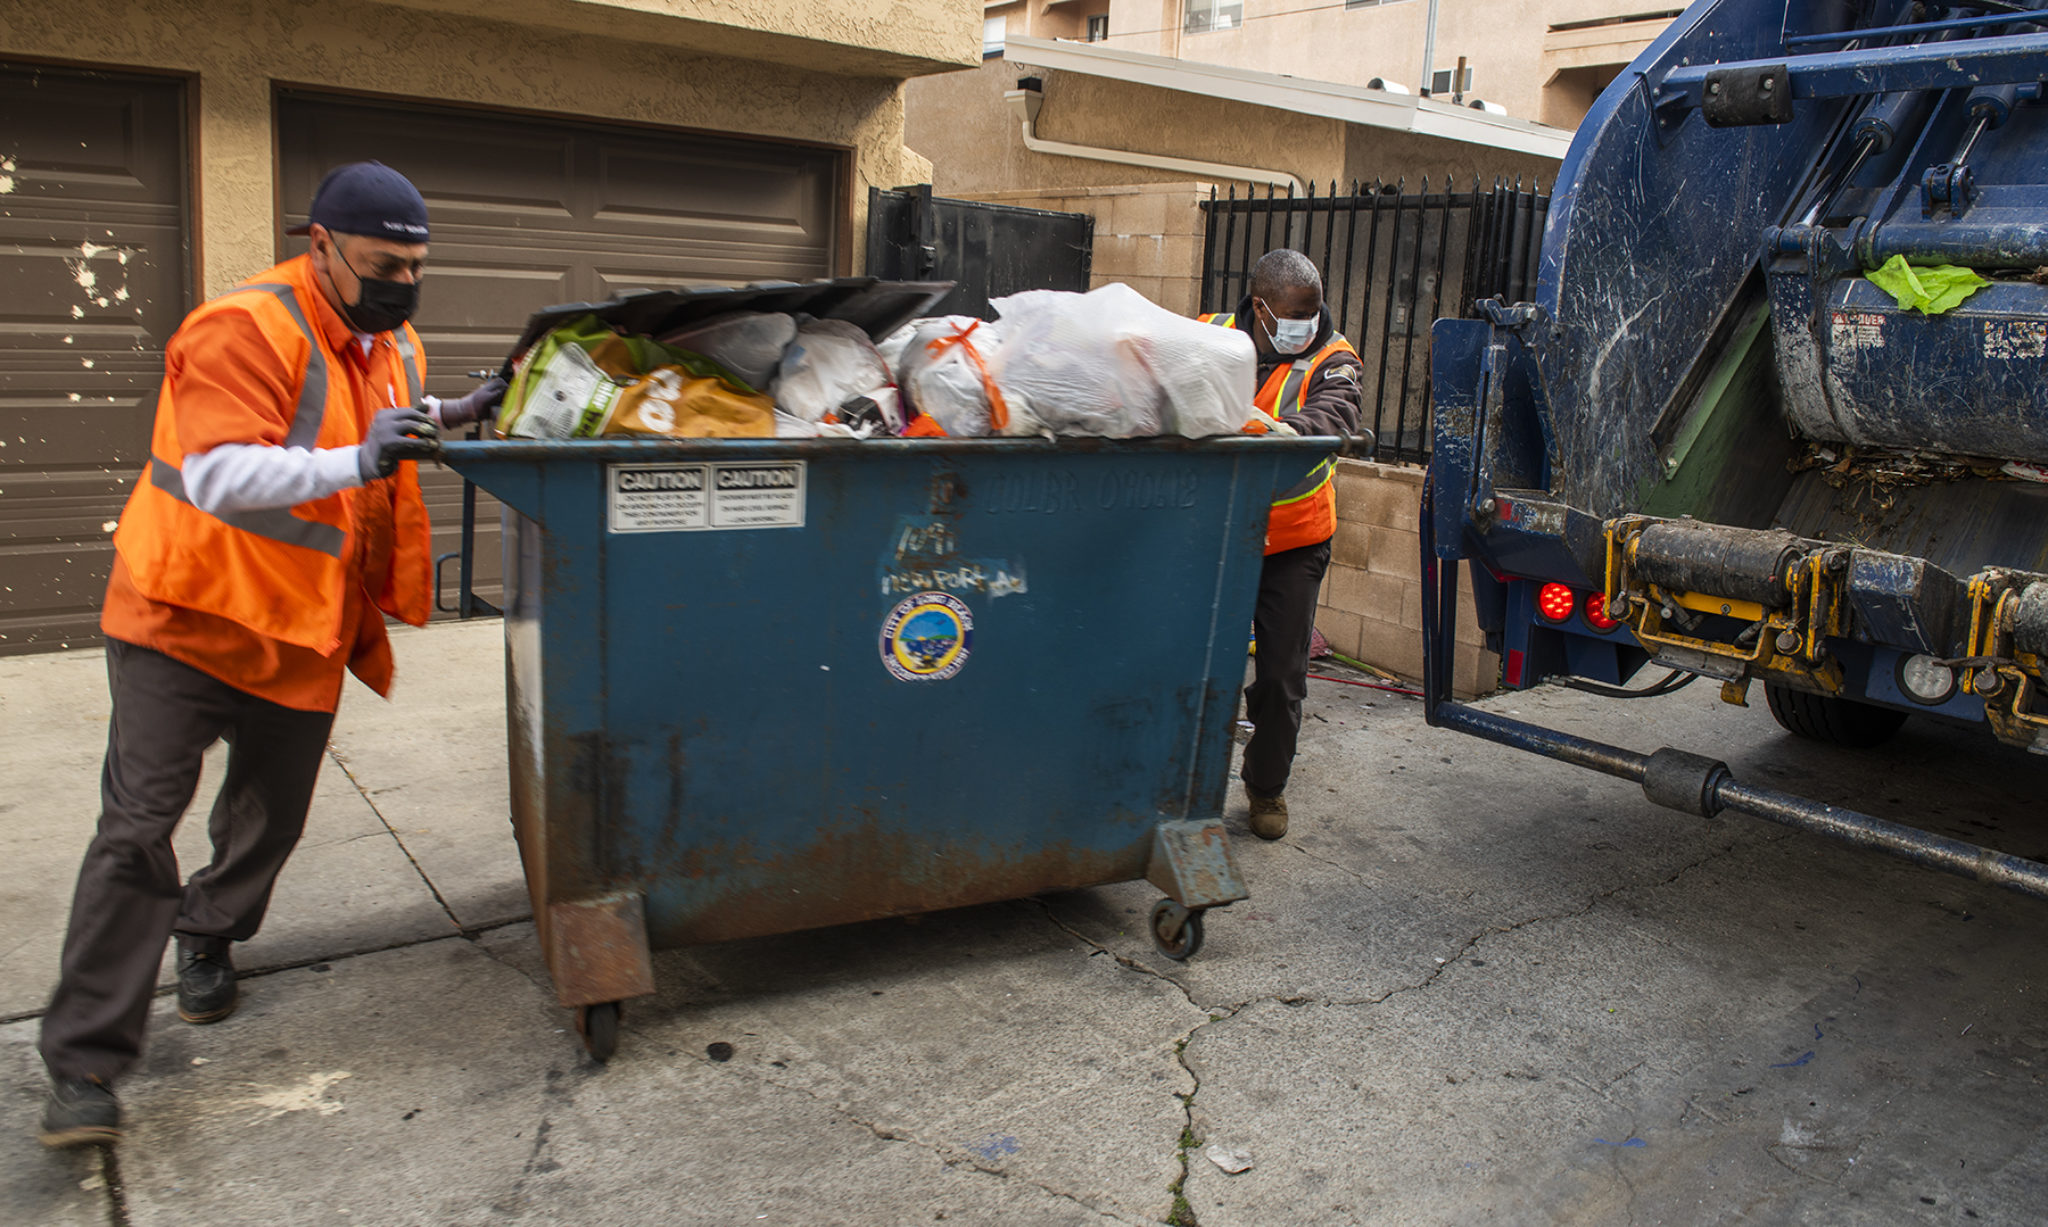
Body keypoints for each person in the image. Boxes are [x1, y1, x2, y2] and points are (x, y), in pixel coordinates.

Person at [37, 162, 505, 1148]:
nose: (402, 283)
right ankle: (83, 1061)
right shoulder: (239, 328)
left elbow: (387, 438)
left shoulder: (395, 342)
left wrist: (458, 415)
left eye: (416, 267)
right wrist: (360, 457)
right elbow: (215, 473)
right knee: (136, 830)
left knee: (267, 817)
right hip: (188, 615)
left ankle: (207, 931)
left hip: (300, 623)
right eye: (383, 263)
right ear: (320, 243)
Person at [1200, 249, 1364, 841]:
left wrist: (1286, 432)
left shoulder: (1334, 356)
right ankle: (1175, 785)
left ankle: (1266, 788)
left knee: (1279, 677)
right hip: (1216, 535)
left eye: (1315, 314)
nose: (1309, 326)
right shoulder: (1212, 334)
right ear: (1261, 308)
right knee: (1193, 665)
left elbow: (1338, 411)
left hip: (1294, 542)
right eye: (1295, 315)